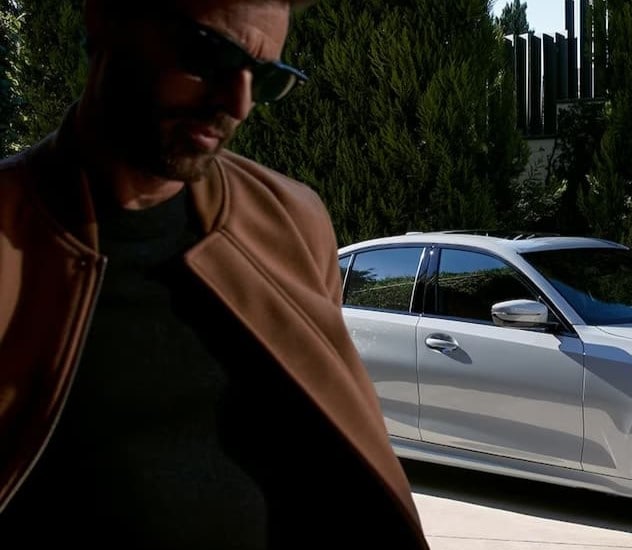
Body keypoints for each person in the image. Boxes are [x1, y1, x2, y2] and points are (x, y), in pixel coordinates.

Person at [0, 0, 429, 547]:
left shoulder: (292, 222)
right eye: (209, 55)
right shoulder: (11, 235)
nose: (238, 102)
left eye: (267, 79)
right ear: (103, 17)